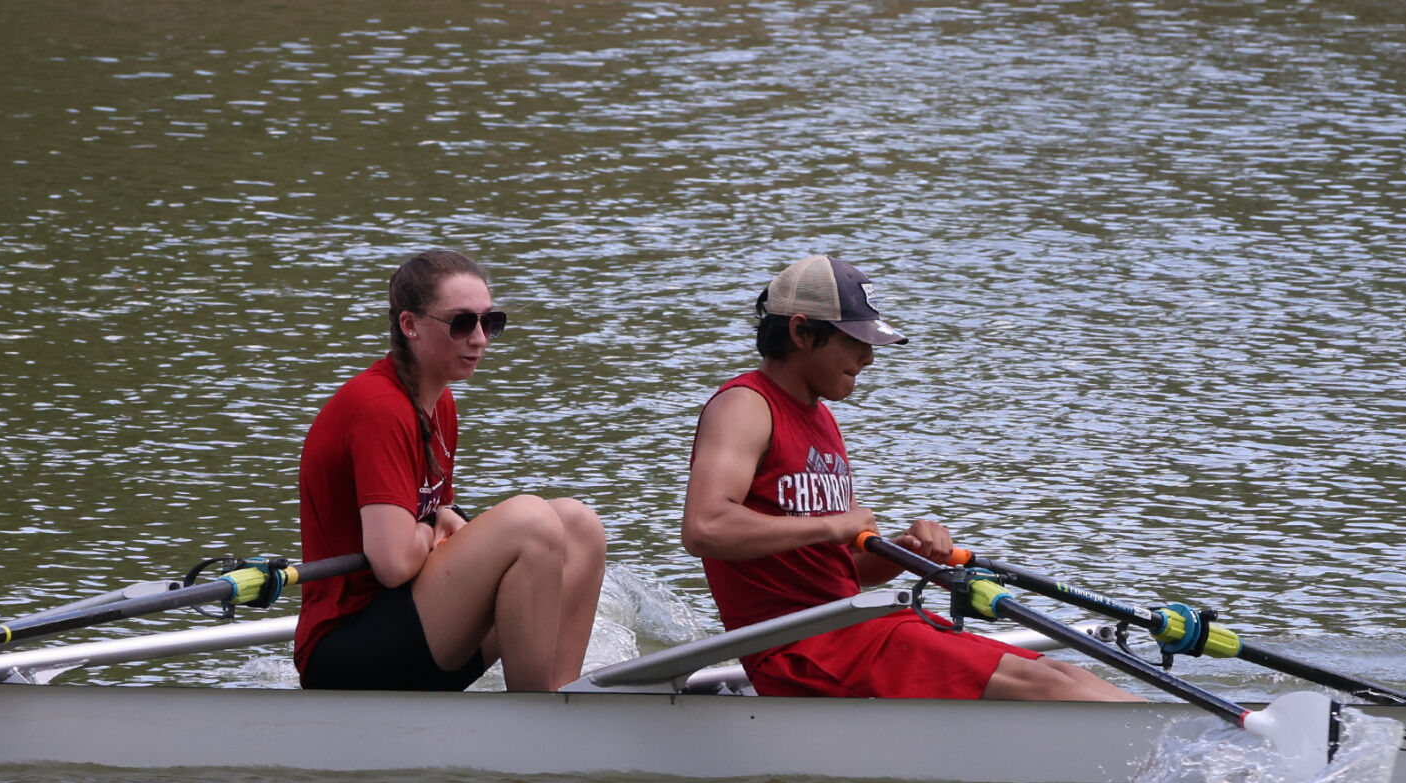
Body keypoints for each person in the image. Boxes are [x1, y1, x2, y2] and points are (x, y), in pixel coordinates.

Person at [681, 254, 1143, 702]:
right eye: (854, 341)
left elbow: (844, 570)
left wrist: (906, 553)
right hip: (801, 649)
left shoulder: (820, 419)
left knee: (1055, 670)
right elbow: (706, 528)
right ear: (801, 331)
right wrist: (831, 525)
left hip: (852, 629)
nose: (868, 358)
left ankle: (1174, 742)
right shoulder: (744, 406)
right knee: (1040, 685)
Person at [295, 249, 605, 692]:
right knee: (530, 521)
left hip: (415, 630)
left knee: (578, 524)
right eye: (462, 323)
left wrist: (434, 523)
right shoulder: (378, 408)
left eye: (490, 322)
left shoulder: (439, 403)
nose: (479, 339)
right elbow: (395, 563)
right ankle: (537, 724)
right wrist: (427, 530)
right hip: (347, 651)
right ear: (410, 326)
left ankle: (559, 695)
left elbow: (438, 519)